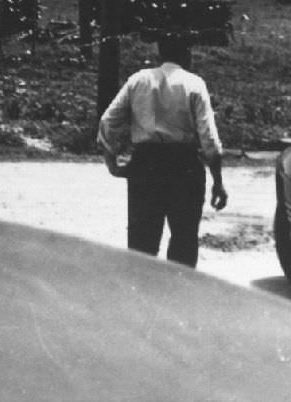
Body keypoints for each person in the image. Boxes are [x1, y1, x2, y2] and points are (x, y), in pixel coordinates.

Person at [97, 34, 227, 268]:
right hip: (184, 167)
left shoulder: (139, 80)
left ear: (160, 53)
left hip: (145, 166)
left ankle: (142, 298)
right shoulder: (194, 84)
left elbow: (108, 121)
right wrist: (218, 181)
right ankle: (177, 298)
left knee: (141, 244)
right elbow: (209, 139)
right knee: (184, 240)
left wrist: (112, 161)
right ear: (186, 54)